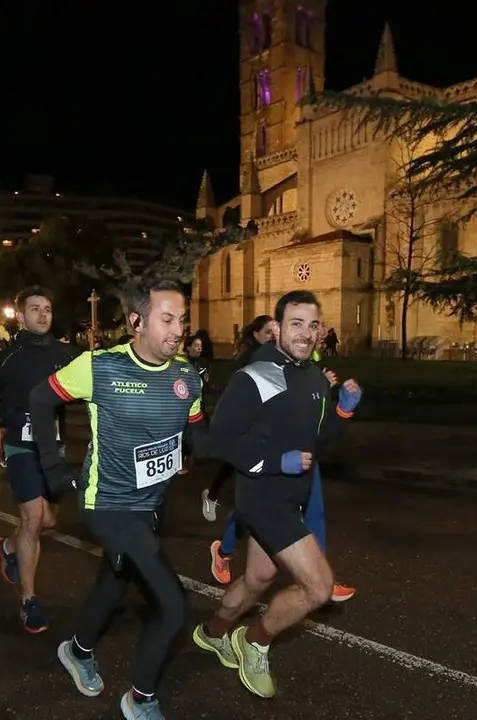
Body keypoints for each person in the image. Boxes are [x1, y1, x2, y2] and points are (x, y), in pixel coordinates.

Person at [30, 278, 207, 720]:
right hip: (108, 504)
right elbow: (40, 399)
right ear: (137, 322)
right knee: (172, 605)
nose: (178, 330)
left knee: (115, 579)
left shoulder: (186, 377)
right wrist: (54, 469)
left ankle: (77, 650)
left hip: (152, 504)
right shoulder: (100, 367)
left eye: (182, 320)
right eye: (167, 319)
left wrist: (231, 448)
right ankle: (140, 699)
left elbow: (198, 435)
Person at [193, 290, 361, 699]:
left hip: (291, 497)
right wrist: (274, 462)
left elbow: (316, 436)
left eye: (313, 325)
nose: (305, 333)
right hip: (263, 498)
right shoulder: (255, 376)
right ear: (278, 327)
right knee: (318, 588)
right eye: (296, 324)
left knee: (258, 579)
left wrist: (343, 410)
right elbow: (219, 441)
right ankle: (255, 641)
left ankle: (213, 632)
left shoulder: (313, 376)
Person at [206, 358, 356, 604]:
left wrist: (339, 407)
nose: (312, 338)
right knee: (248, 513)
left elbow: (318, 424)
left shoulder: (308, 365)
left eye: (316, 334)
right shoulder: (260, 362)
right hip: (270, 458)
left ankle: (321, 575)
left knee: (314, 511)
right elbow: (235, 429)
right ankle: (223, 550)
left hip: (304, 455)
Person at [0, 287, 76, 633]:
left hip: (54, 448)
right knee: (33, 518)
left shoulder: (65, 353)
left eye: (47, 308)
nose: (43, 314)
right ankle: (29, 601)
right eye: (35, 309)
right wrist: (9, 418)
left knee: (48, 519)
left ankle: (8, 546)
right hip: (20, 446)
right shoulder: (8, 357)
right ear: (20, 316)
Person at [200, 315, 276, 521]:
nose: (272, 336)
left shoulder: (276, 355)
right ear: (256, 335)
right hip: (248, 417)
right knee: (239, 462)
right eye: (268, 332)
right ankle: (214, 497)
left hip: (267, 417)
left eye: (275, 332)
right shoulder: (251, 358)